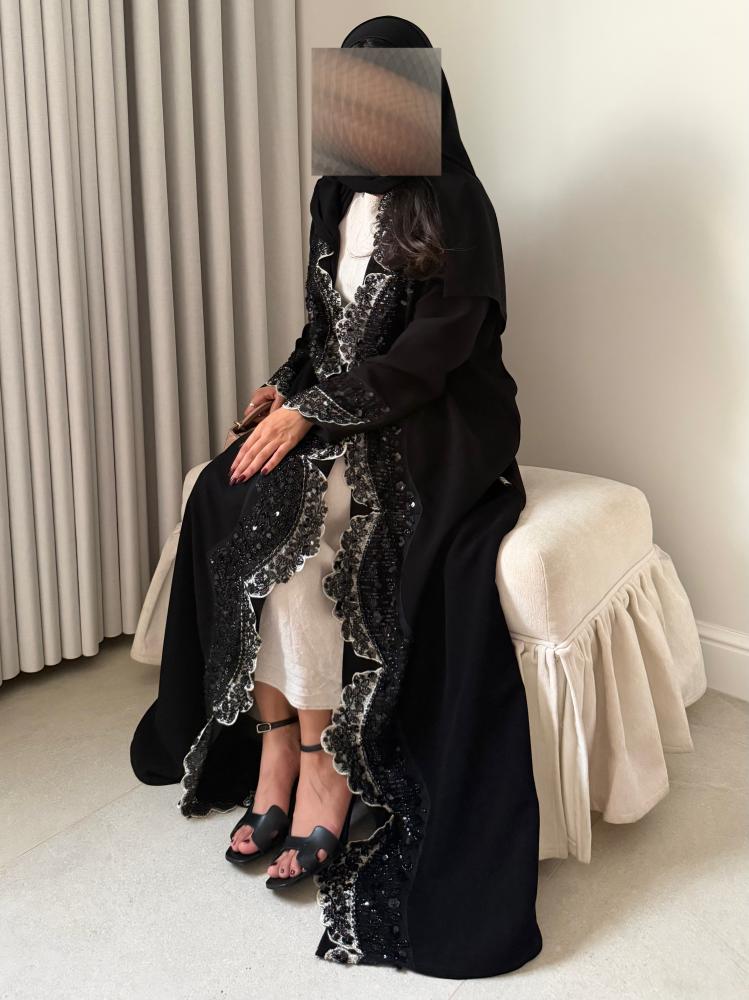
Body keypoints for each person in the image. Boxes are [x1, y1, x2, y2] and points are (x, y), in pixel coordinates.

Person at [130, 14, 543, 980]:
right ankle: (276, 746)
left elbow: (435, 351)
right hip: (348, 403)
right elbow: (324, 331)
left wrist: (316, 412)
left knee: (313, 526)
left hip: (438, 416)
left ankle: (327, 769)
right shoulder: (332, 197)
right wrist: (286, 386)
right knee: (230, 496)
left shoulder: (457, 203)